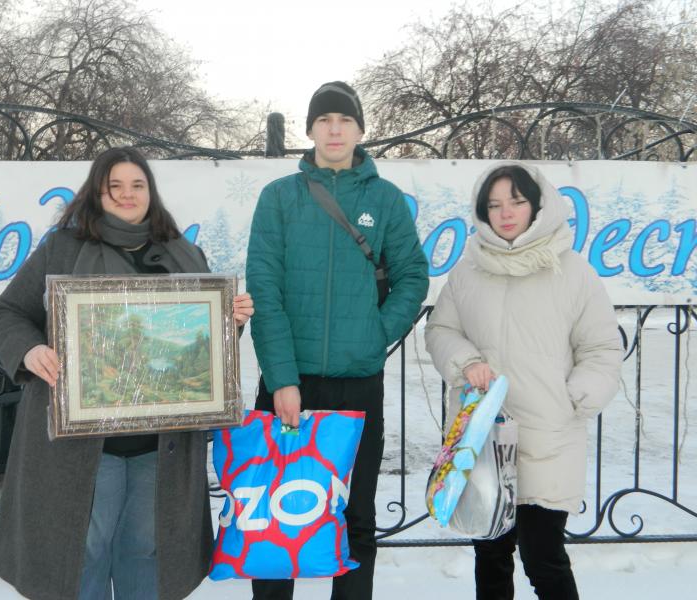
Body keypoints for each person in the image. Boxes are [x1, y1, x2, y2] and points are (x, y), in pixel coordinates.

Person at [0, 146, 253, 600]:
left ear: (151, 191)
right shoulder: (63, 250)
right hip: (83, 447)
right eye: (115, 187)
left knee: (147, 551)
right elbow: (5, 314)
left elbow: (202, 345)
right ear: (97, 193)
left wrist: (230, 324)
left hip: (161, 448)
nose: (127, 195)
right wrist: (29, 350)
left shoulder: (186, 254)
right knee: (83, 551)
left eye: (137, 185)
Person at [245, 81, 429, 600]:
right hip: (289, 385)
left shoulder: (385, 199)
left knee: (354, 520)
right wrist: (282, 380)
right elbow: (266, 288)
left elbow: (413, 275)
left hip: (357, 384)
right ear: (309, 131)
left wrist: (376, 335)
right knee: (277, 517)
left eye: (344, 120)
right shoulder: (279, 197)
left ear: (360, 130)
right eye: (324, 120)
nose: (333, 129)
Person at [425, 161, 623, 600]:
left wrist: (575, 397)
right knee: (491, 558)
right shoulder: (467, 271)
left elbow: (602, 349)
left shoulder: (572, 272)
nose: (506, 212)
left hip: (548, 437)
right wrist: (466, 360)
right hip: (484, 438)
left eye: (516, 200)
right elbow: (440, 331)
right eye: (494, 204)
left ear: (537, 205)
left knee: (543, 558)